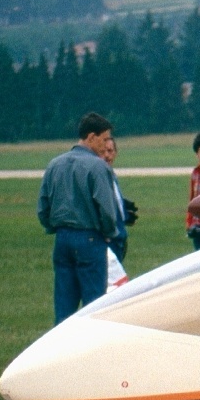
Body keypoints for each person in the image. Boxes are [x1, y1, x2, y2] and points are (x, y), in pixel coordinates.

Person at [38, 112, 123, 324]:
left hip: (62, 240)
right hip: (90, 240)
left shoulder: (54, 164)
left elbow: (43, 208)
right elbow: (107, 210)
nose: (106, 146)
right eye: (104, 140)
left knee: (64, 308)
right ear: (91, 137)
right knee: (94, 307)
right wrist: (109, 234)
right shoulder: (98, 167)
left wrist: (54, 228)